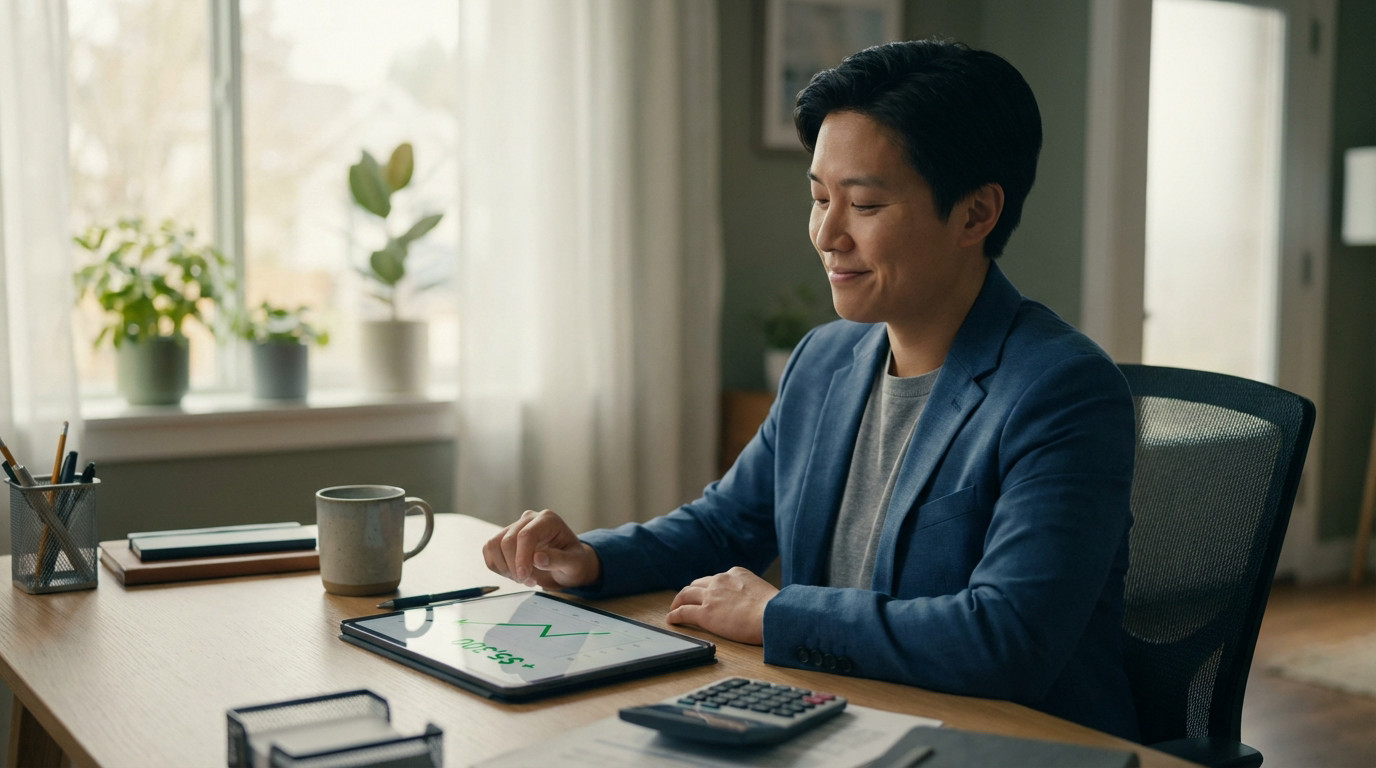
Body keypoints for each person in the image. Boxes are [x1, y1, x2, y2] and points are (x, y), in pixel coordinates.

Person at [483, 38, 1139, 741]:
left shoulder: (1062, 390)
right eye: (819, 198)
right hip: (831, 717)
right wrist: (592, 559)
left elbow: (1006, 640)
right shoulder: (824, 359)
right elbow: (723, 525)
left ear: (975, 215)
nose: (827, 234)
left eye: (863, 204)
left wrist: (774, 616)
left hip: (998, 745)